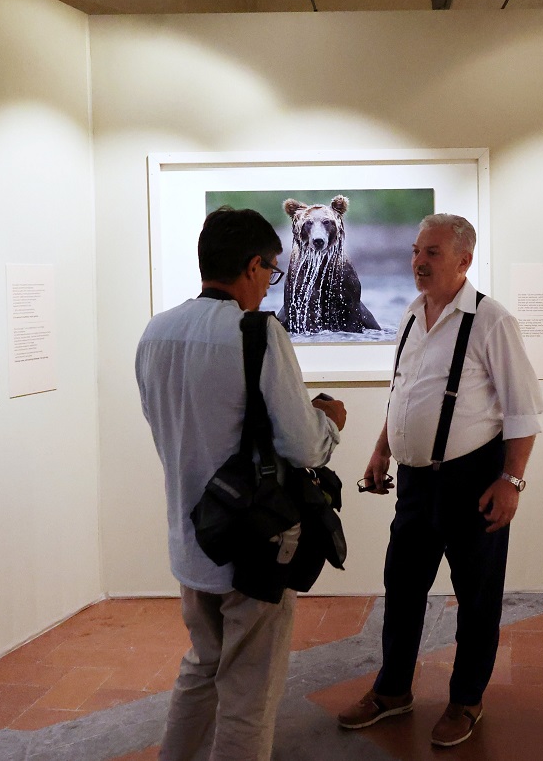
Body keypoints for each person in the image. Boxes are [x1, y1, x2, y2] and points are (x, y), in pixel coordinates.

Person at [136, 206, 347, 761]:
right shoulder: (258, 333)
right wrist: (330, 422)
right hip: (254, 545)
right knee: (249, 694)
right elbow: (302, 445)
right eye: (272, 271)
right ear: (253, 266)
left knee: (203, 667)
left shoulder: (155, 332)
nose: (270, 284)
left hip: (191, 540)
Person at [337, 213, 543, 748]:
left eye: (431, 253)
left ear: (464, 261)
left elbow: (524, 412)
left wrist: (511, 482)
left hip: (473, 480)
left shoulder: (491, 321)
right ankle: (392, 691)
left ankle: (467, 700)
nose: (418, 262)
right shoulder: (409, 315)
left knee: (477, 599)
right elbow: (403, 393)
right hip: (414, 483)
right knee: (402, 588)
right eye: (415, 251)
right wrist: (382, 448)